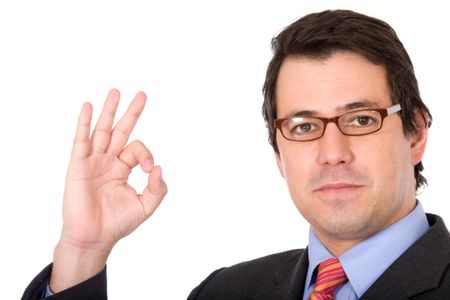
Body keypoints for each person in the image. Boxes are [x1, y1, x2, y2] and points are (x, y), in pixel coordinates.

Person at [22, 9, 450, 300]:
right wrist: (82, 253)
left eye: (360, 120)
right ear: (279, 157)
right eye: (303, 127)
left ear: (415, 134)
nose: (331, 153)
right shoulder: (226, 291)